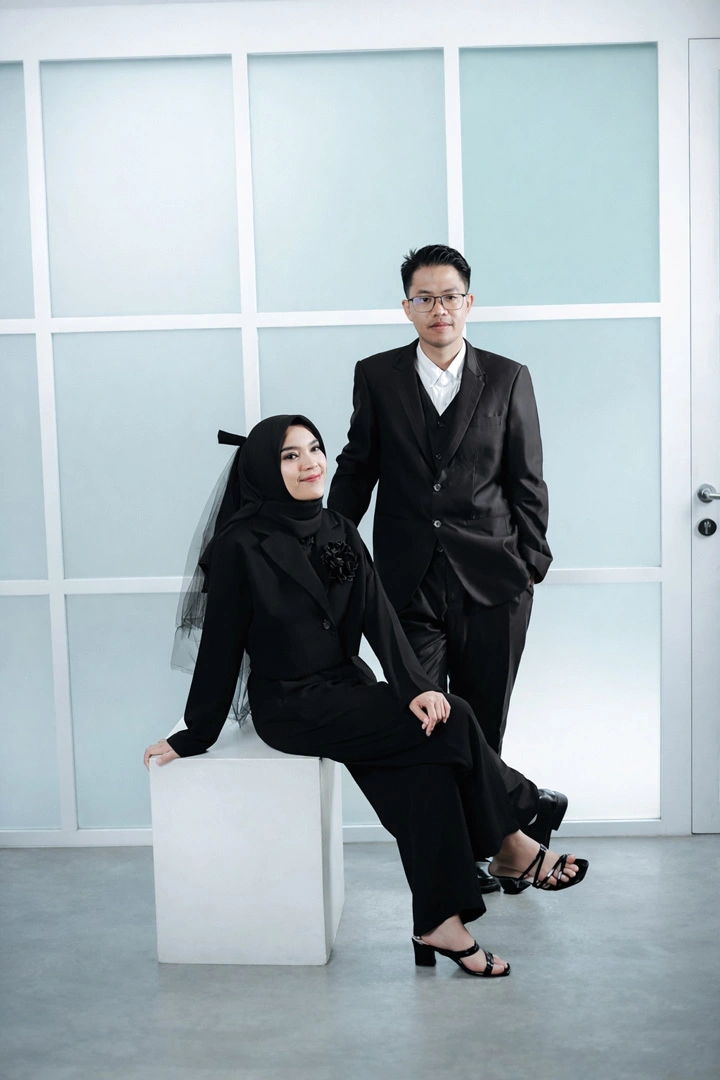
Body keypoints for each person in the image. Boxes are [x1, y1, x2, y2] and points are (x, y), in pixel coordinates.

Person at [144, 415, 587, 978]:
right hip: (291, 706)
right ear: (263, 469)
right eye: (290, 456)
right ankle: (516, 835)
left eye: (315, 449)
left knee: (428, 769)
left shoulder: (338, 528)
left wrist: (414, 688)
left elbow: (381, 619)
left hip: (349, 689)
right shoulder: (239, 545)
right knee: (455, 717)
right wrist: (195, 733)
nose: (311, 463)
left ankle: (439, 924)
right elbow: (220, 648)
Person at [327, 244, 557, 891]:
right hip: (407, 581)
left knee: (482, 719)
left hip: (494, 581)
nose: (439, 309)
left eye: (449, 296)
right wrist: (329, 545)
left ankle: (483, 852)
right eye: (424, 298)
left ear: (468, 302)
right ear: (406, 307)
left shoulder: (508, 378)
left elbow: (527, 481)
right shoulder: (377, 376)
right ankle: (517, 817)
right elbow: (357, 468)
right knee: (422, 722)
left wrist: (531, 564)